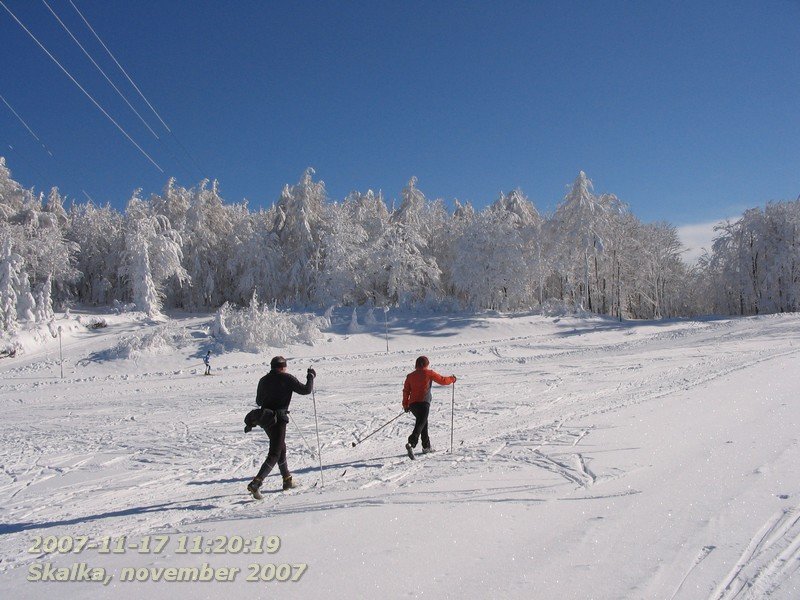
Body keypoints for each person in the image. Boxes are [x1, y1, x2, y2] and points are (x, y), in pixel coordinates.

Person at [247, 356, 316, 498]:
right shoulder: (287, 378)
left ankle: (287, 479)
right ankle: (256, 483)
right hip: (278, 419)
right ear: (282, 367)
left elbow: (258, 401)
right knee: (275, 453)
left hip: (265, 419)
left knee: (280, 448)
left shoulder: (263, 380)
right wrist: (311, 376)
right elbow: (306, 390)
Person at [402, 356, 456, 459]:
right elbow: (443, 380)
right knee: (420, 424)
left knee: (423, 423)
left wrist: (406, 405)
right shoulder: (429, 373)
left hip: (413, 405)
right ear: (426, 364)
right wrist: (452, 379)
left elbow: (406, 391)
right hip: (424, 403)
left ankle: (426, 447)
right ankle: (411, 443)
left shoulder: (410, 376)